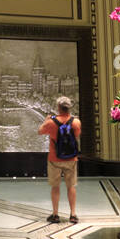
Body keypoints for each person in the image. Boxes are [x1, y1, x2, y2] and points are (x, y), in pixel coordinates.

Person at [39, 96, 81, 224]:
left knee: (55, 187)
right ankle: (73, 214)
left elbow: (40, 131)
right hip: (71, 158)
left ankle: (55, 214)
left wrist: (46, 120)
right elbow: (77, 135)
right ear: (69, 108)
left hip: (54, 159)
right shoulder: (76, 122)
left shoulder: (51, 122)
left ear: (58, 108)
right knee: (71, 186)